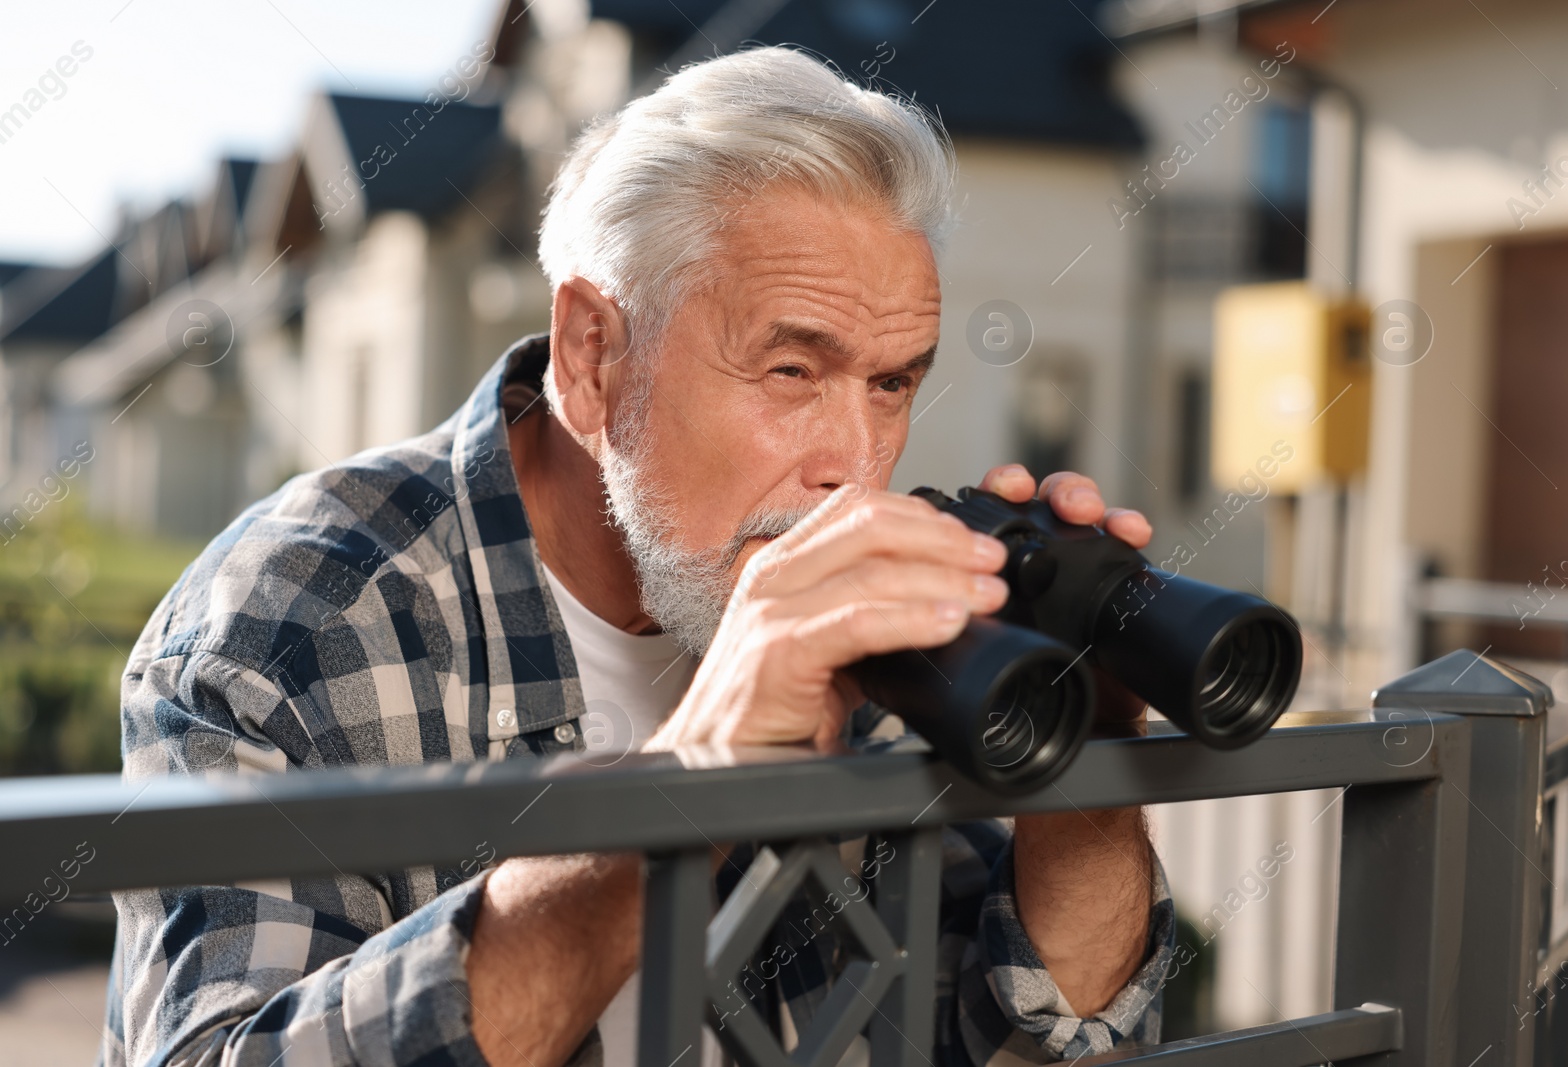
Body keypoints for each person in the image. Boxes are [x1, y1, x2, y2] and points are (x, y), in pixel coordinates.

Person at [100, 45, 1173, 1067]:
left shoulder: (869, 615)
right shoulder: (293, 617)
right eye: (794, 369)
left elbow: (1018, 1041)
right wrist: (694, 774)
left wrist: (1084, 767)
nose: (856, 465)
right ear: (592, 354)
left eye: (890, 383)